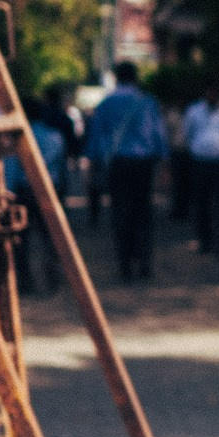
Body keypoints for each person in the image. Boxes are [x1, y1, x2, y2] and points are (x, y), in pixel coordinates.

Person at [85, 61, 166, 282]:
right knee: (143, 213)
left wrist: (93, 166)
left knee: (120, 212)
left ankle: (125, 265)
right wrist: (163, 163)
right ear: (136, 77)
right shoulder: (148, 102)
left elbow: (96, 140)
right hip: (143, 163)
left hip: (117, 164)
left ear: (117, 78)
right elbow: (158, 135)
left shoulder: (106, 104)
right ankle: (144, 263)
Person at [5, 94, 70, 296]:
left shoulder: (18, 139)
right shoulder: (55, 136)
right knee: (50, 236)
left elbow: (12, 169)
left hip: (24, 191)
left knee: (22, 239)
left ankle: (25, 282)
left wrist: (10, 192)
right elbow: (61, 167)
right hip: (51, 189)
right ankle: (53, 279)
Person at [183, 80, 219, 257]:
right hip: (201, 162)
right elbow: (188, 134)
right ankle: (205, 241)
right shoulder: (194, 111)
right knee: (202, 204)